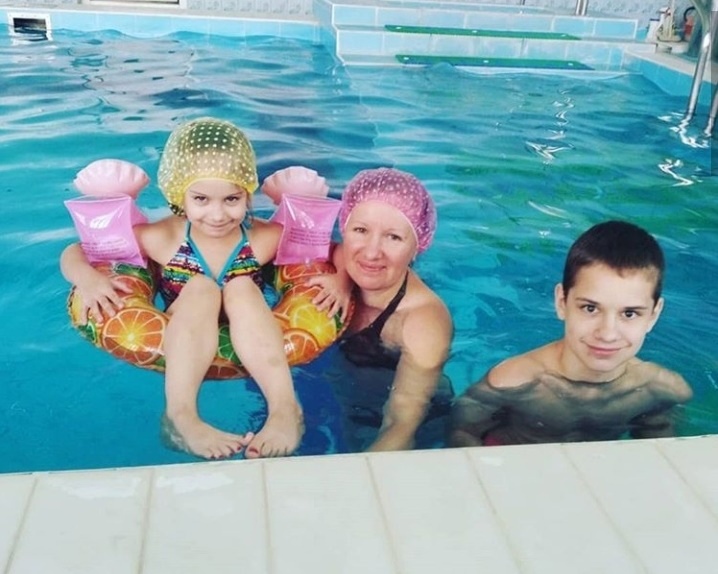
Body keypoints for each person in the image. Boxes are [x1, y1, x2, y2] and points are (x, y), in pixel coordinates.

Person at [60, 117, 304, 460]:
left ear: (248, 193)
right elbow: (78, 251)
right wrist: (88, 279)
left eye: (232, 199)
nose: (217, 215)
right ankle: (181, 416)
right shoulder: (163, 238)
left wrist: (337, 281)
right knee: (202, 288)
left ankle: (285, 410)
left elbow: (326, 254)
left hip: (250, 321)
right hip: (188, 319)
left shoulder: (263, 238)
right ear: (180, 194)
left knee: (241, 287)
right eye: (201, 199)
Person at [450, 220, 693, 447]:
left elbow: (660, 453)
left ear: (653, 315)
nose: (607, 334)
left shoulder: (659, 390)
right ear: (561, 302)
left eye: (629, 313)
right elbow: (462, 433)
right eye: (590, 308)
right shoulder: (514, 382)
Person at [308, 168, 454, 452]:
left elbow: (401, 424)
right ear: (344, 228)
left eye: (393, 237)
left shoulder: (422, 322)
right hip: (344, 398)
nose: (372, 252)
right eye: (361, 230)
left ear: (417, 246)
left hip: (409, 426)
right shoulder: (335, 274)